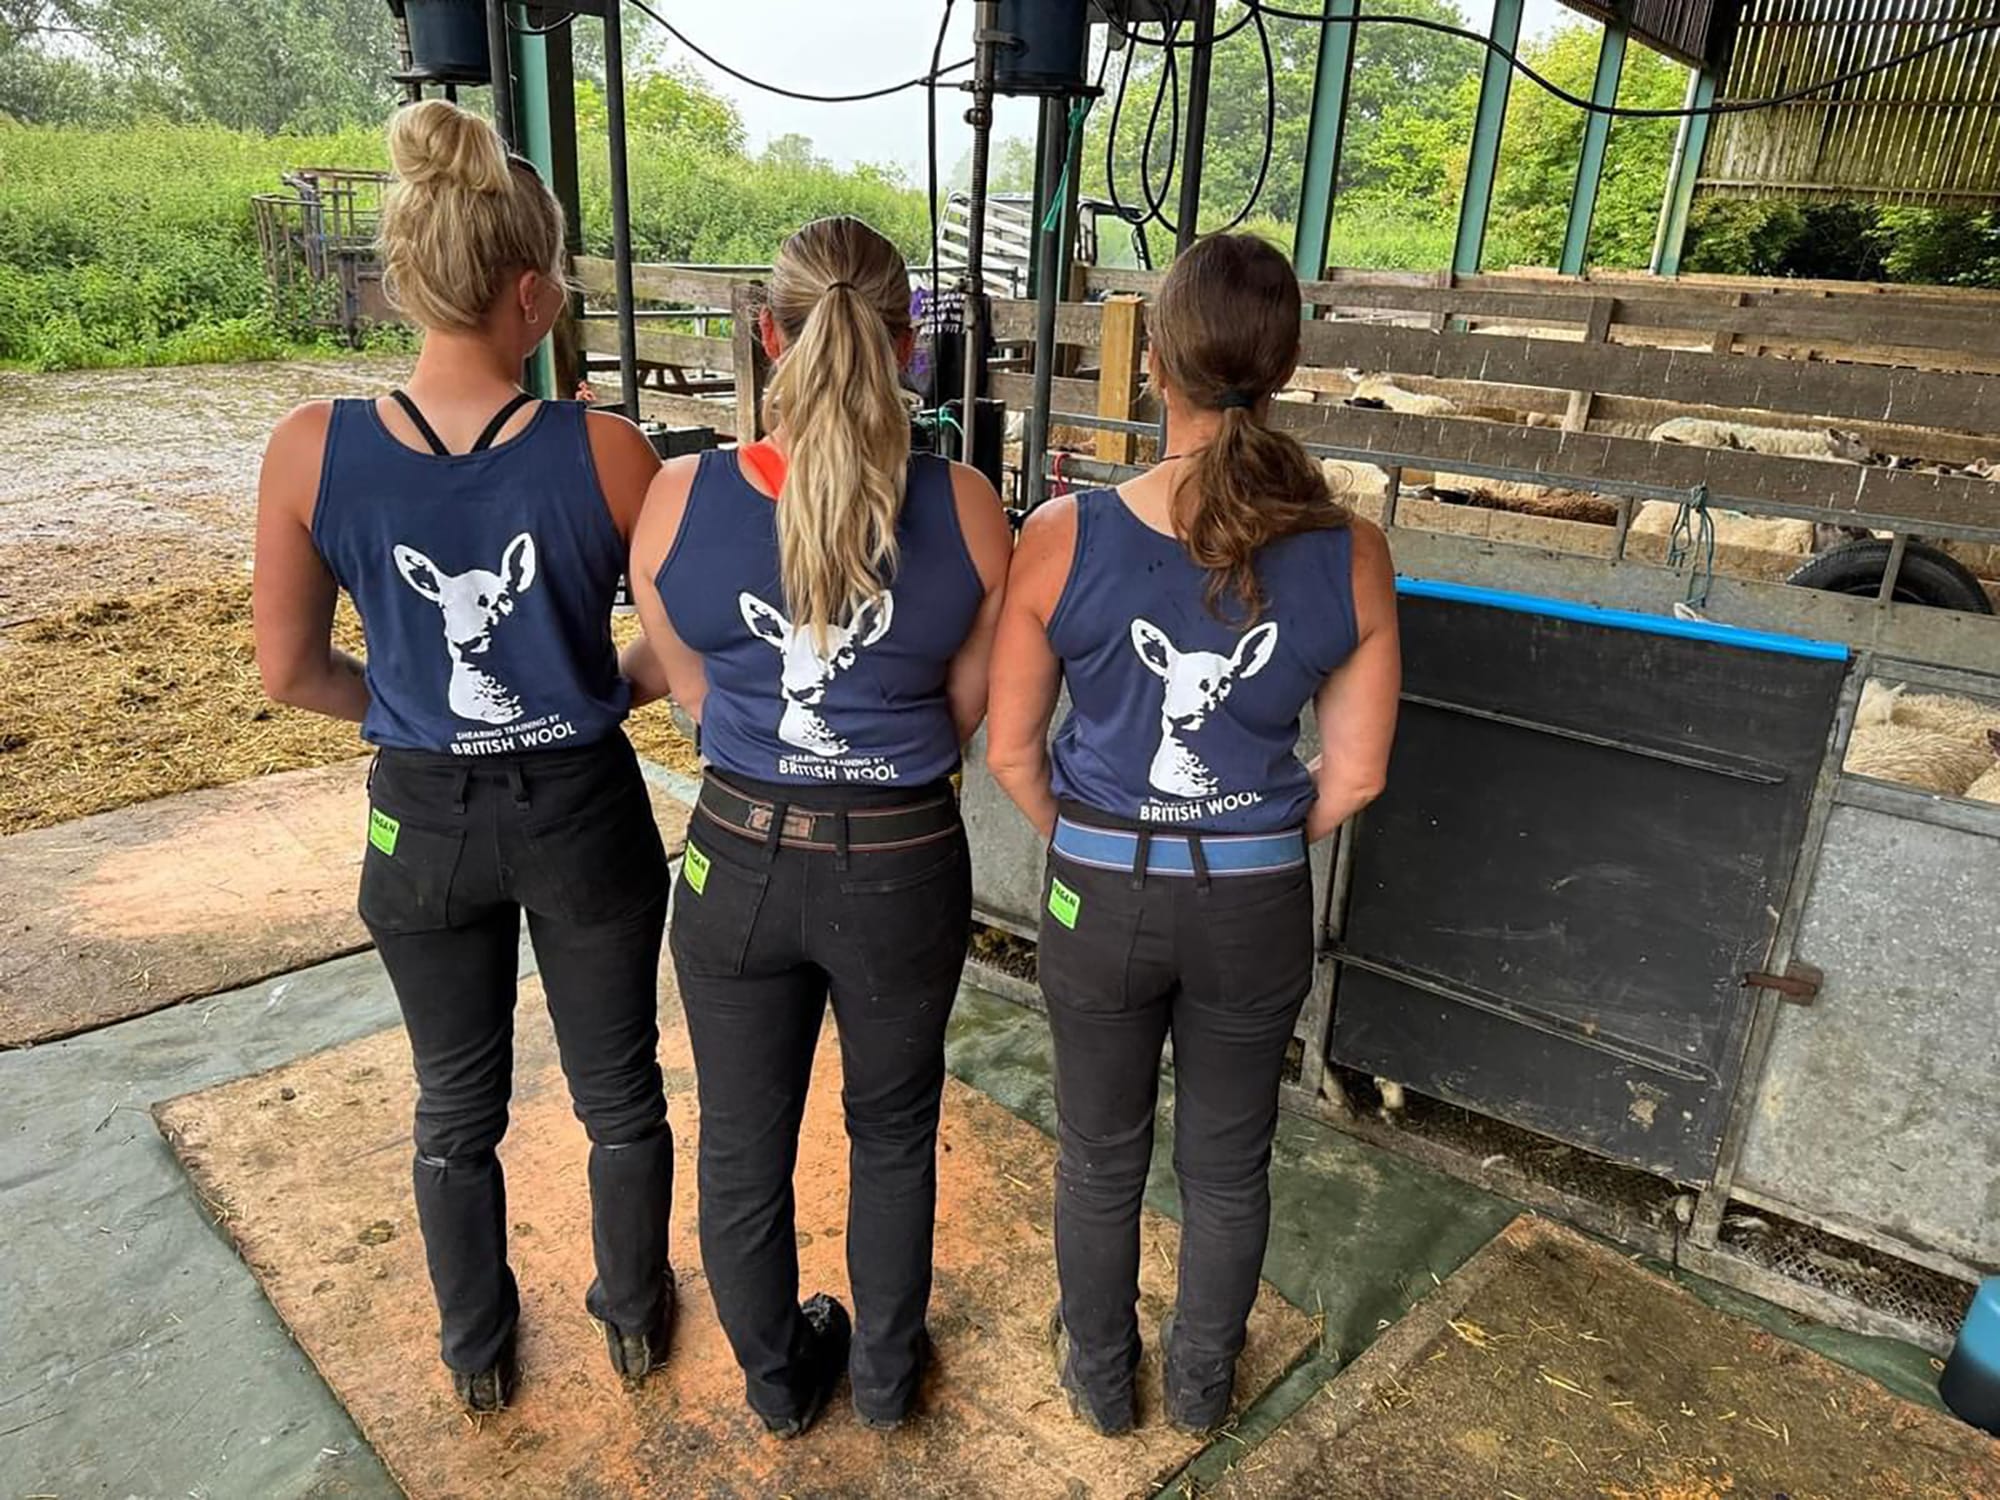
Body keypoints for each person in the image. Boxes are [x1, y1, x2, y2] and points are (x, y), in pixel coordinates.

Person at [252, 99, 678, 1413]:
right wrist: (586, 691)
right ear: (533, 296)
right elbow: (677, 650)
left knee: (453, 1102)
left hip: (419, 818)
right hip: (583, 807)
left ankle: (477, 1353)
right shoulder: (608, 452)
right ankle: (634, 1319)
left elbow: (290, 672)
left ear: (401, 280)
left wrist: (413, 705)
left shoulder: (311, 448)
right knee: (620, 1092)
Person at [985, 233, 1401, 1438]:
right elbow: (1356, 774)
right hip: (1254, 904)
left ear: (1153, 365)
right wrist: (1246, 833)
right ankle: (1203, 1384)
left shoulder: (1060, 534)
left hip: (1098, 895)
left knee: (1097, 1153)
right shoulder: (1350, 551)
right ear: (1285, 367)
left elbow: (1011, 752)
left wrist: (1099, 840)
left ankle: (1099, 1379)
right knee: (1226, 1163)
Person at [628, 215, 1010, 1438]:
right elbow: (961, 711)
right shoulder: (966, 504)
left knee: (743, 1141)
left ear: (766, 333)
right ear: (908, 343)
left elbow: (692, 692)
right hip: (901, 861)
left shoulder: (678, 497)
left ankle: (778, 1385)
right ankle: (887, 1382)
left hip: (736, 852)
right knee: (893, 1132)